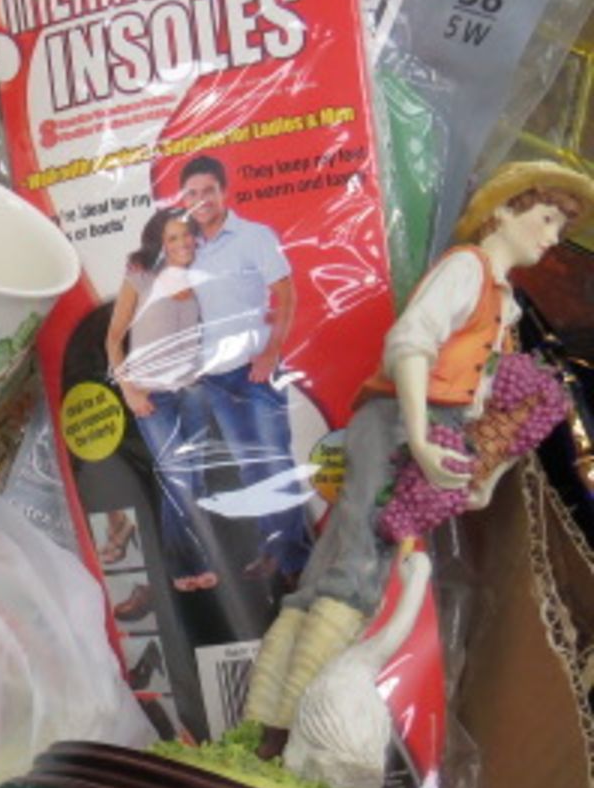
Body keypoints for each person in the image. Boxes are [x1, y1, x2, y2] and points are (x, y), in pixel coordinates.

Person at [244, 160, 594, 739]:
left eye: (561, 225)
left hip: (437, 429)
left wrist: (480, 471)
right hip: (402, 422)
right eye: (547, 217)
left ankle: (267, 720)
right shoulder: (465, 269)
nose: (553, 235)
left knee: (348, 562)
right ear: (504, 210)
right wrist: (420, 437)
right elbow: (410, 346)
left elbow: (486, 395)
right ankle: (278, 726)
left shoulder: (503, 304)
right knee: (358, 564)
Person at [179, 154, 312, 581]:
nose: (201, 200)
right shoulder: (186, 250)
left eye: (208, 191)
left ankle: (296, 562)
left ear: (223, 192)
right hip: (215, 378)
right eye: (192, 193)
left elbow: (285, 295)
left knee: (274, 462)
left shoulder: (254, 236)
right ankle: (274, 552)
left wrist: (271, 351)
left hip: (257, 370)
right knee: (251, 467)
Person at [106, 206, 218, 592]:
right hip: (152, 398)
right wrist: (129, 389)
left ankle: (191, 566)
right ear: (160, 243)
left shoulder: (203, 277)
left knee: (197, 481)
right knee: (177, 479)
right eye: (172, 237)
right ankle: (185, 567)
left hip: (195, 393)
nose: (182, 242)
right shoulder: (140, 278)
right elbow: (113, 338)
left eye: (186, 234)